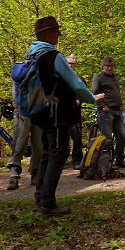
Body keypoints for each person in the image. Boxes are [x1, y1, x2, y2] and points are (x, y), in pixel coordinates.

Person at [27, 16, 103, 215]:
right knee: (58, 154)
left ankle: (40, 199)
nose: (57, 36)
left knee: (46, 153)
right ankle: (48, 203)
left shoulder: (31, 55)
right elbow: (76, 84)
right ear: (44, 34)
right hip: (57, 114)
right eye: (54, 32)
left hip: (40, 112)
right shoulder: (53, 56)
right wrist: (92, 99)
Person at [92, 56, 125, 168]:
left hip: (117, 111)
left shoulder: (115, 77)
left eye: (112, 66)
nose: (110, 68)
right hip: (106, 111)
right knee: (107, 138)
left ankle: (119, 160)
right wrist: (102, 106)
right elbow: (94, 93)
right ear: (103, 66)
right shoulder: (98, 77)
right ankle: (106, 162)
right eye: (107, 66)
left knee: (122, 137)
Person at [6, 80, 43, 191]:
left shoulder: (22, 70)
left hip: (25, 112)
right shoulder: (38, 69)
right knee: (33, 145)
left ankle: (15, 175)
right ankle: (26, 175)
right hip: (30, 112)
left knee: (23, 144)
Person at [65, 55, 85, 170]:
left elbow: (85, 93)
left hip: (75, 115)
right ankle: (62, 161)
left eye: (72, 63)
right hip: (62, 115)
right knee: (62, 139)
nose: (70, 65)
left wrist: (79, 99)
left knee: (77, 139)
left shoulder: (80, 79)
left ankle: (77, 161)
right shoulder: (59, 78)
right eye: (68, 63)